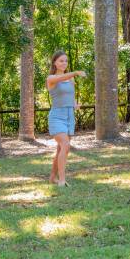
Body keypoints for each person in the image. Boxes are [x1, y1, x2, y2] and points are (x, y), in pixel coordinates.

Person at [47, 50, 85, 187]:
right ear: (55, 63)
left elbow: (71, 96)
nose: (64, 63)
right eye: (61, 61)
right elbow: (61, 79)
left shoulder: (70, 79)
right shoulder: (51, 78)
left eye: (66, 61)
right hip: (57, 117)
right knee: (65, 145)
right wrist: (74, 72)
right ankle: (62, 180)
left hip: (69, 116)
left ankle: (53, 177)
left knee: (60, 149)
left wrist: (75, 105)